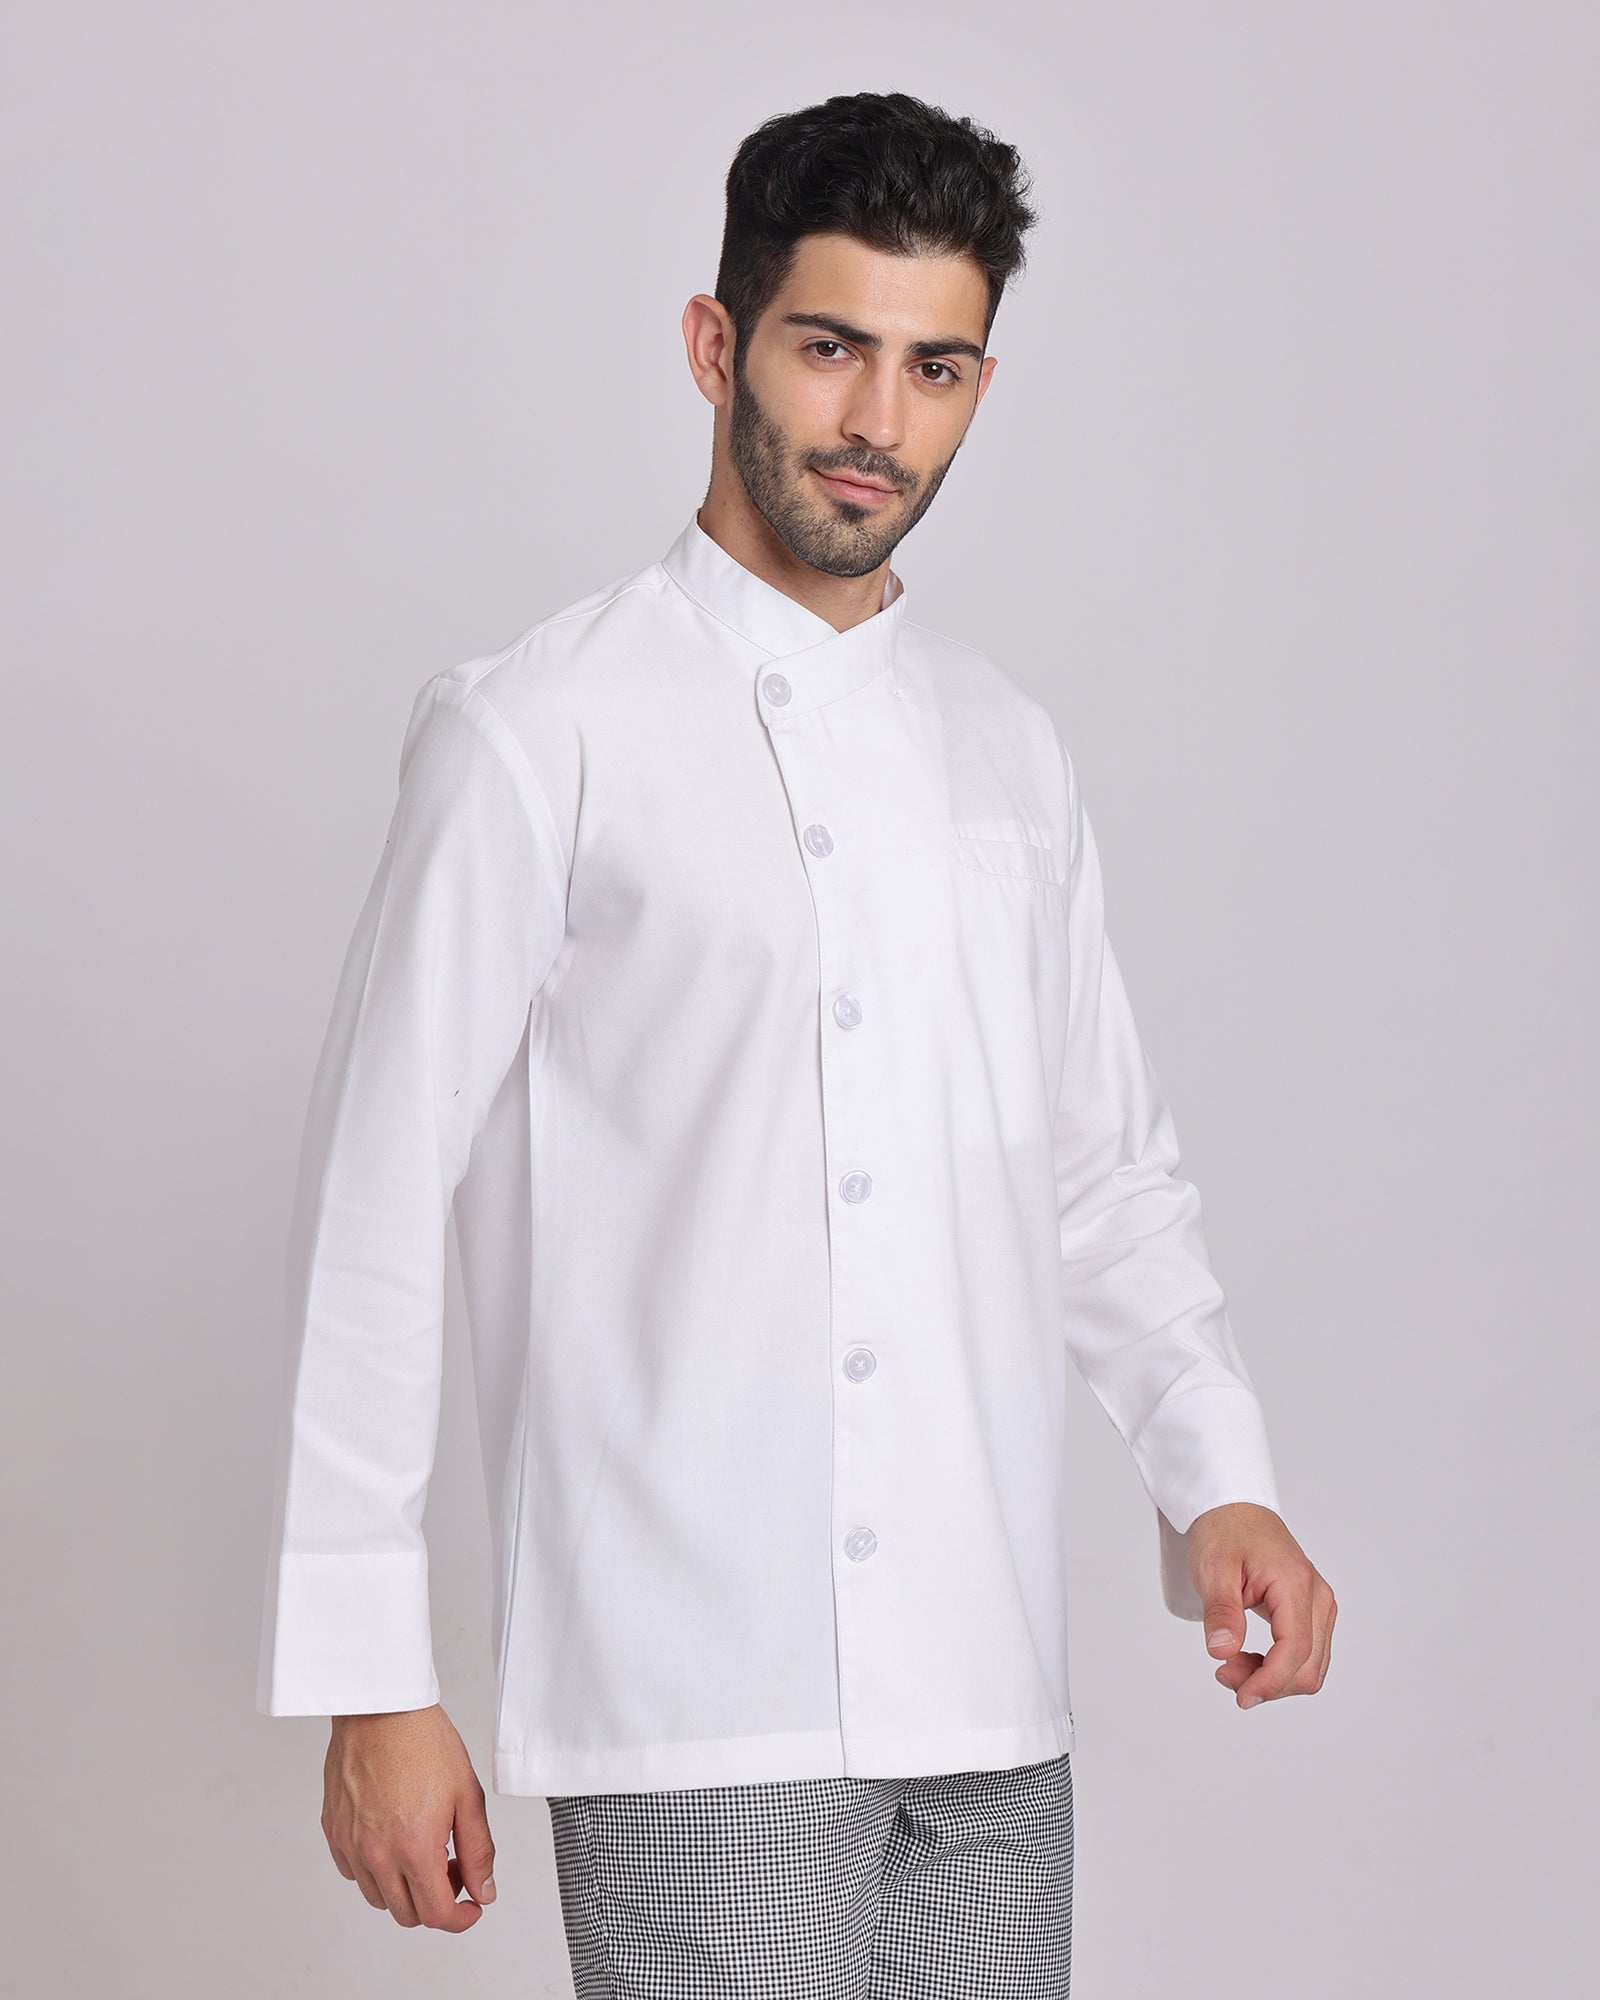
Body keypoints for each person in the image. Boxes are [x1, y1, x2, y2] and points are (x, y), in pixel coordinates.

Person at [256, 88, 1336, 1996]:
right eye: (830, 347)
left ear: (980, 386)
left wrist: (1217, 1473)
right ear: (716, 343)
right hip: (693, 1699)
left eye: (935, 368)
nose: (876, 421)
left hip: (988, 1699)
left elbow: (1099, 1174)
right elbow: (374, 1199)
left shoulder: (1010, 750)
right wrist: (370, 1676)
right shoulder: (537, 733)